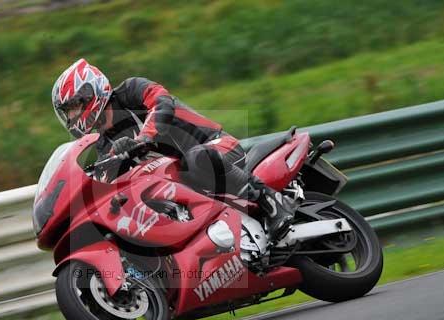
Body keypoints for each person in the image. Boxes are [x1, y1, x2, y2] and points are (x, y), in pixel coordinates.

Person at [51, 58, 294, 241]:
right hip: (180, 181)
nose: (73, 115)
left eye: (73, 107)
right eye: (68, 112)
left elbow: (161, 101)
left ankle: (270, 200)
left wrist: (142, 138)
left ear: (91, 93)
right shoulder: (104, 144)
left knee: (195, 160)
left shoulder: (131, 91)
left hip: (214, 147)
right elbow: (112, 183)